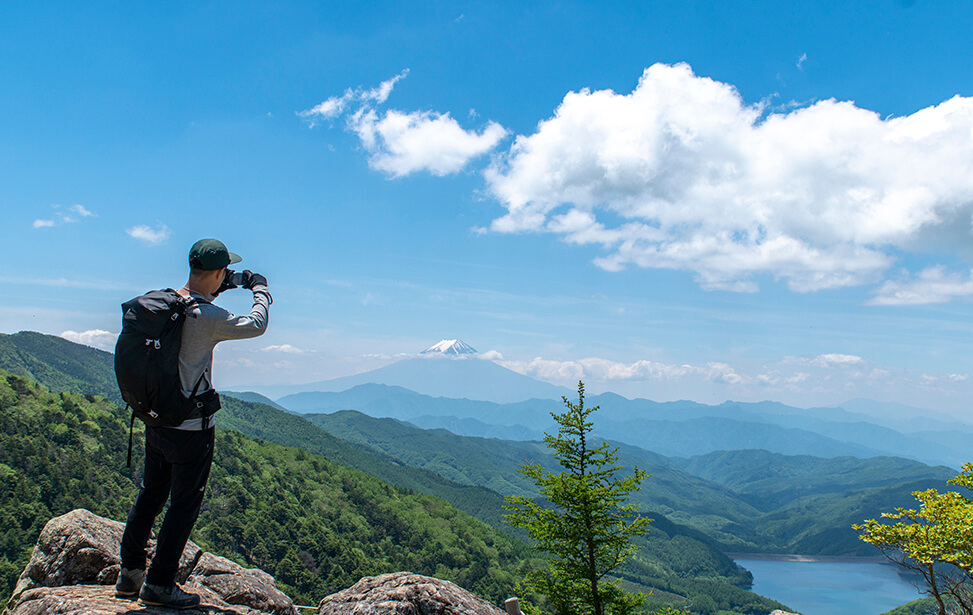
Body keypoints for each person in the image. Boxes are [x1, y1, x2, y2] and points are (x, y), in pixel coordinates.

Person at [115, 238, 271, 608]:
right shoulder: (207, 318)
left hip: (155, 420)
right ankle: (160, 583)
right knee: (183, 505)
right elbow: (257, 324)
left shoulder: (166, 303)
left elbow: (197, 298)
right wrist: (260, 289)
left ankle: (130, 573)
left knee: (151, 493)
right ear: (218, 273)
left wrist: (221, 283)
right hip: (191, 430)